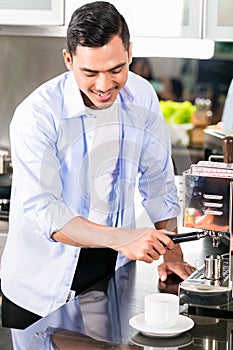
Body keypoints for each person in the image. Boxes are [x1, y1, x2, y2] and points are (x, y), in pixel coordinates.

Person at [0, 1, 194, 331]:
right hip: (38, 292)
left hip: (108, 280)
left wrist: (172, 252)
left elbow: (159, 179)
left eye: (116, 69)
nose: (104, 86)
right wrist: (124, 238)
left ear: (130, 52)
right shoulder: (38, 115)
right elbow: (47, 213)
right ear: (68, 59)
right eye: (90, 73)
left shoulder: (142, 95)